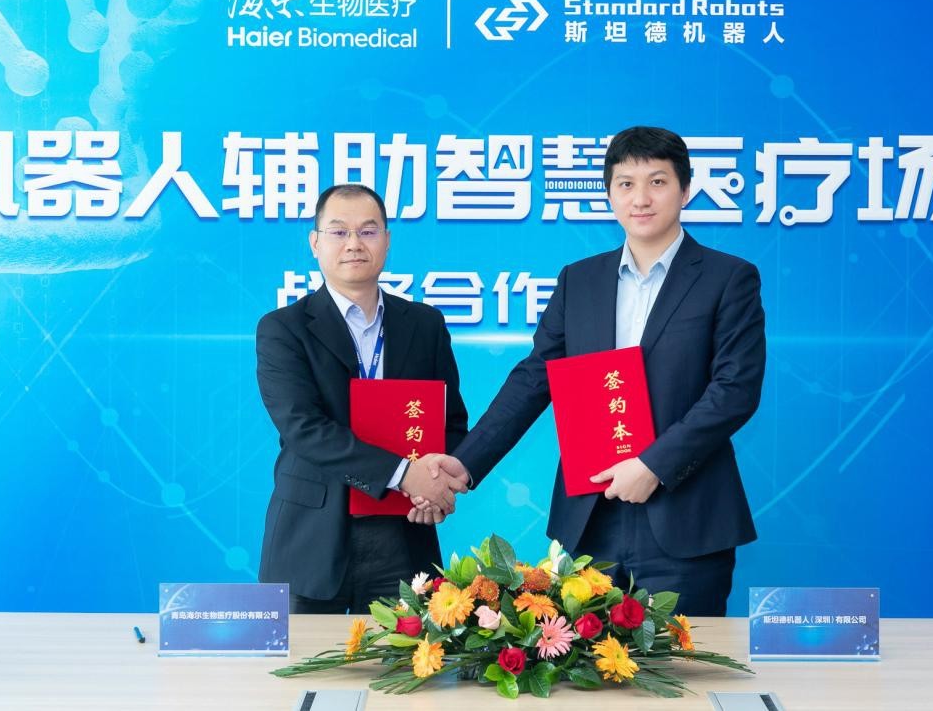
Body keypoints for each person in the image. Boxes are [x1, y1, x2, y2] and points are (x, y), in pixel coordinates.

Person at [412, 127, 765, 616]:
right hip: (590, 522)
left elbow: (734, 390)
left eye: (658, 182)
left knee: (683, 661)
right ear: (609, 195)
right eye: (625, 184)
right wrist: (465, 461)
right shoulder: (580, 280)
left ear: (685, 190)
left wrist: (653, 465)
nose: (640, 198)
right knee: (586, 659)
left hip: (686, 518)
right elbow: (535, 378)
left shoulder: (728, 278)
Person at [257, 184, 470, 613]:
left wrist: (435, 485)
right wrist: (405, 475)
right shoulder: (283, 328)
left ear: (387, 241)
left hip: (404, 534)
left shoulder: (425, 324)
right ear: (315, 243)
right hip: (311, 538)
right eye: (339, 232)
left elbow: (450, 423)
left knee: (405, 655)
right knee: (302, 655)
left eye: (368, 231)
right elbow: (303, 428)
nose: (354, 243)